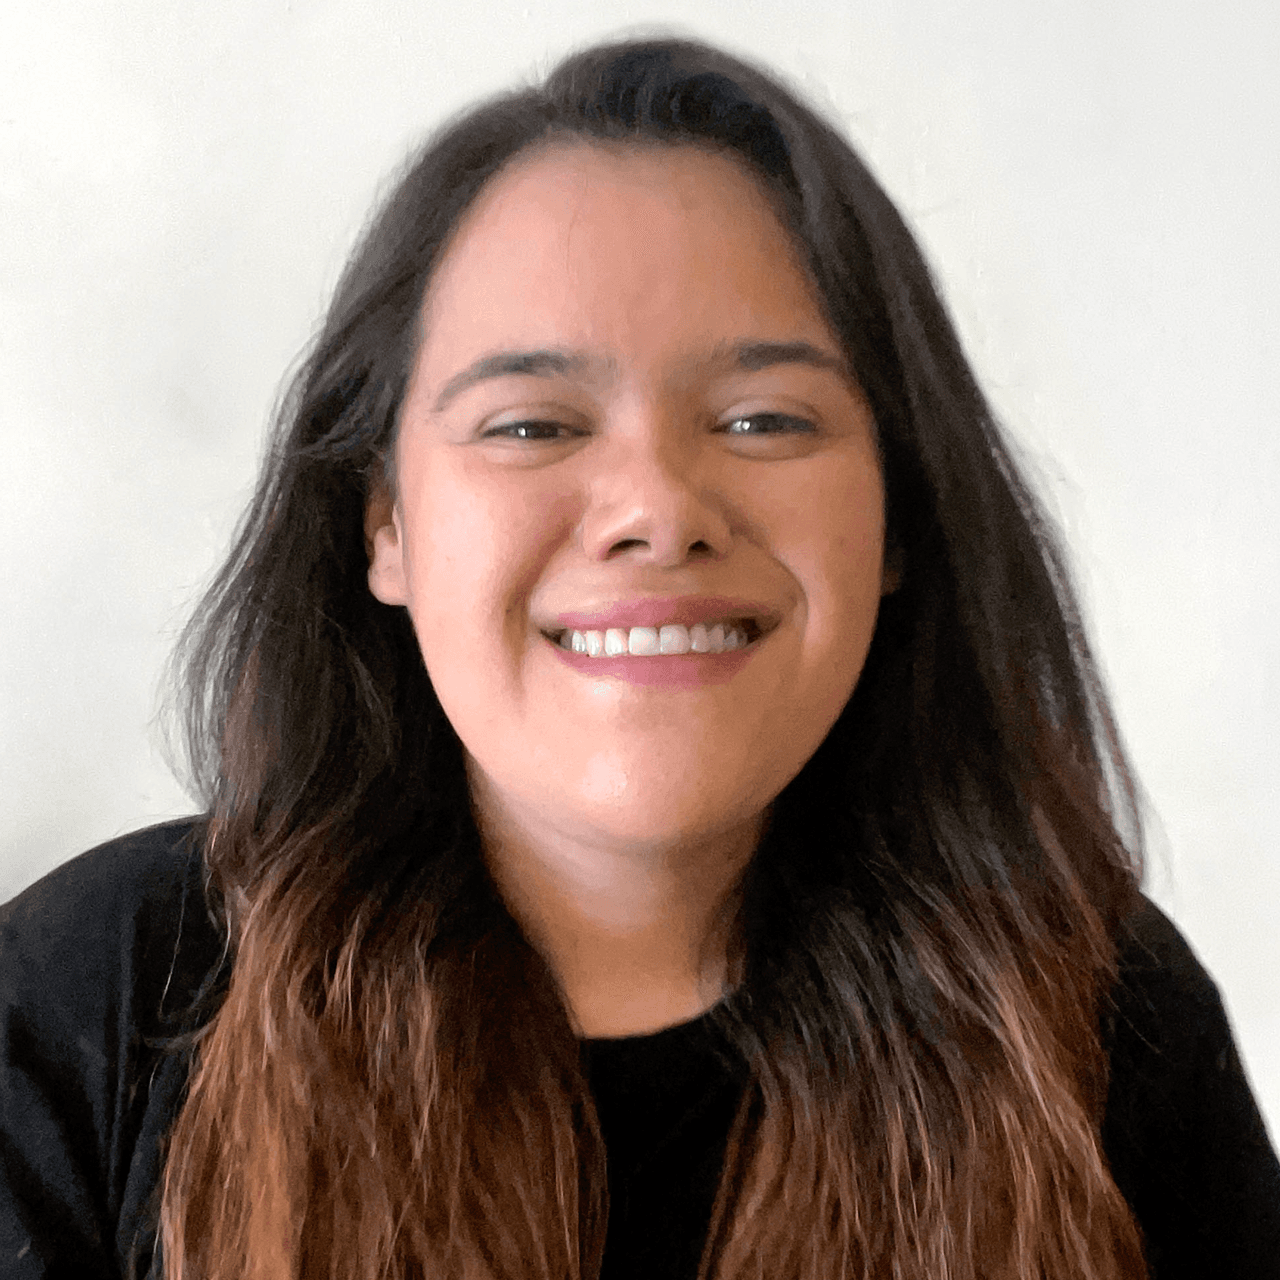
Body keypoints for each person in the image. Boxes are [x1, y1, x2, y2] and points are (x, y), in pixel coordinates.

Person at [1, 34, 1276, 1280]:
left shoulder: (1104, 1029)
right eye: (532, 422)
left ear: (899, 516)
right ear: (384, 522)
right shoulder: (92, 1001)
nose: (657, 506)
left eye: (764, 417)